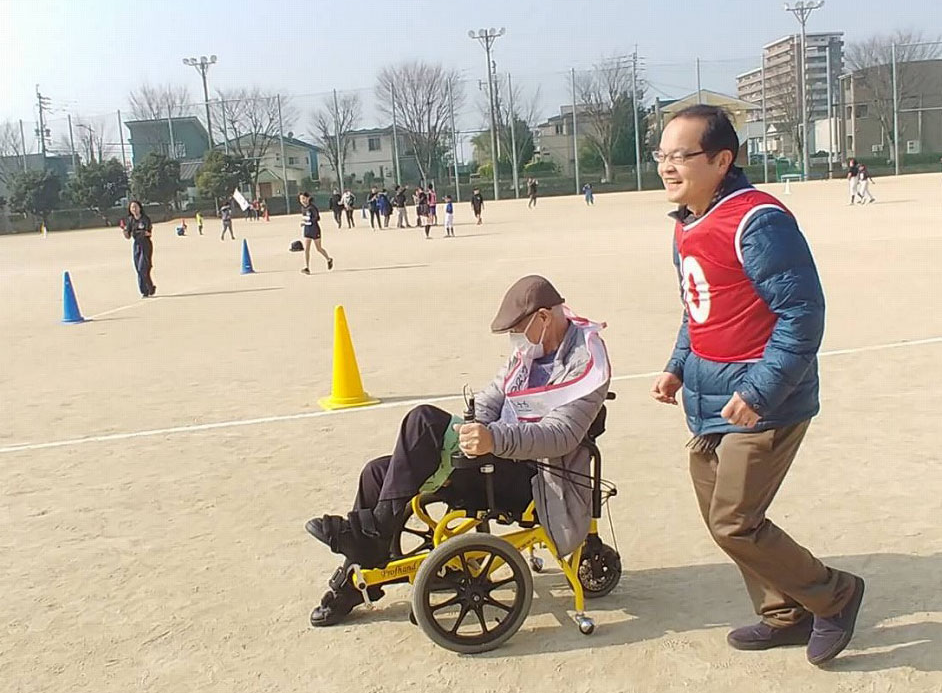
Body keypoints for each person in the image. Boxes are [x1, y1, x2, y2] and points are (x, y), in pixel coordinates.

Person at [649, 105, 864, 666]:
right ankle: (783, 613)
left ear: (723, 160)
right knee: (722, 514)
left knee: (734, 520)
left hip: (764, 401)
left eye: (681, 156)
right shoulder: (688, 223)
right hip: (708, 396)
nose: (667, 167)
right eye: (662, 155)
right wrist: (677, 364)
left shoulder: (758, 220)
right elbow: (700, 310)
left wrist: (762, 391)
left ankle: (835, 595)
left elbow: (802, 313)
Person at [304, 275, 611, 626]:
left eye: (518, 329)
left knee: (422, 421)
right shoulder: (531, 351)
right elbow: (492, 397)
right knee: (377, 472)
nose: (515, 339)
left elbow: (561, 435)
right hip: (493, 458)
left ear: (543, 318)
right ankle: (358, 578)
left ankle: (371, 537)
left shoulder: (586, 363)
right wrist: (472, 431)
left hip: (533, 476)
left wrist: (493, 438)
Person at [122, 200, 156, 298]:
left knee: (143, 268)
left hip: (145, 244)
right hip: (136, 245)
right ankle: (148, 289)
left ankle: (146, 289)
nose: (134, 209)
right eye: (132, 207)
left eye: (136, 207)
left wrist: (142, 233)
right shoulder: (130, 220)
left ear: (140, 208)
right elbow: (128, 236)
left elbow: (148, 233)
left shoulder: (145, 219)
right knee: (138, 268)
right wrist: (125, 231)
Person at [299, 192, 333, 275]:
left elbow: (317, 218)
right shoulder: (303, 208)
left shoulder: (312, 208)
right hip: (307, 230)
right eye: (300, 199)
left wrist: (309, 221)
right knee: (306, 249)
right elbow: (305, 218)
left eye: (303, 198)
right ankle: (307, 267)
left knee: (318, 248)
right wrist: (304, 222)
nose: (302, 200)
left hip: (315, 229)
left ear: (308, 198)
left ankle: (328, 259)